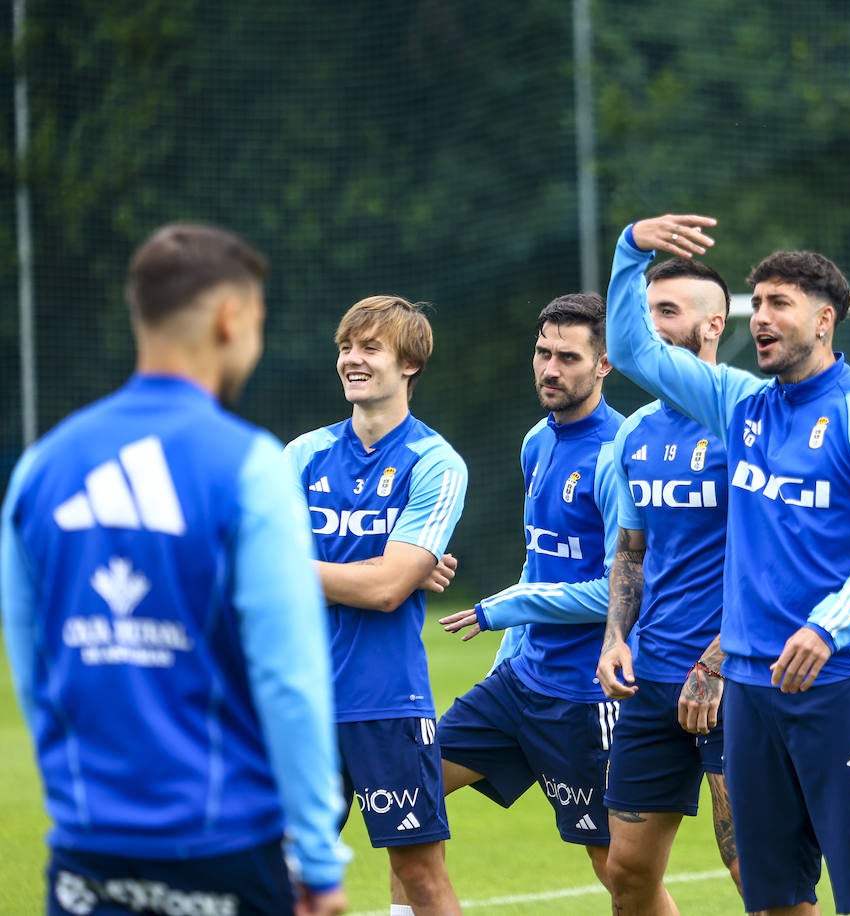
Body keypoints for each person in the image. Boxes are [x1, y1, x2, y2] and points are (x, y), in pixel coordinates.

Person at [0, 223, 348, 915]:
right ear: (230, 317)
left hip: (86, 848)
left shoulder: (40, 467)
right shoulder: (249, 466)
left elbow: (33, 665)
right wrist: (316, 853)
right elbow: (291, 682)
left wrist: (82, 801)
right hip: (224, 849)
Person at [606, 214, 850, 916]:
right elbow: (631, 349)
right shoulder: (742, 406)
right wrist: (632, 248)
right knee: (772, 895)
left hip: (836, 682)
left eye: (781, 304)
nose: (763, 320)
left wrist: (829, 628)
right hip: (748, 694)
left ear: (825, 318)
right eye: (758, 306)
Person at [284, 295, 467, 916]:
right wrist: (391, 568)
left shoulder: (436, 462)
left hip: (385, 698)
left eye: (370, 348)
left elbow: (389, 588)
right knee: (277, 871)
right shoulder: (303, 455)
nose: (351, 360)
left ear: (408, 363)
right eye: (346, 347)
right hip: (300, 701)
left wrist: (397, 573)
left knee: (419, 876)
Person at [434, 293, 625, 889]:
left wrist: (505, 608)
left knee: (623, 874)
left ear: (603, 365)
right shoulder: (535, 442)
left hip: (583, 698)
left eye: (568, 356)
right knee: (409, 796)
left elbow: (620, 591)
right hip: (518, 686)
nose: (549, 368)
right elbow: (539, 558)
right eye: (543, 352)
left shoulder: (618, 454)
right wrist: (507, 652)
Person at [594, 256, 745, 914]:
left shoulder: (747, 422)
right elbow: (632, 551)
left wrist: (719, 657)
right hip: (651, 676)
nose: (652, 326)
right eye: (647, 311)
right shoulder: (636, 432)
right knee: (627, 871)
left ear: (713, 325)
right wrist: (613, 640)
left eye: (668, 312)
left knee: (755, 867)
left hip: (733, 677)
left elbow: (778, 562)